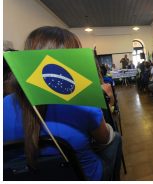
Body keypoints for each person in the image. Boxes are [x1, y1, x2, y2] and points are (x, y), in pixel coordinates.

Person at [3, 26, 122, 181]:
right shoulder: (85, 104)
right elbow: (104, 139)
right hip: (84, 176)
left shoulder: (4, 104)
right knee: (116, 138)